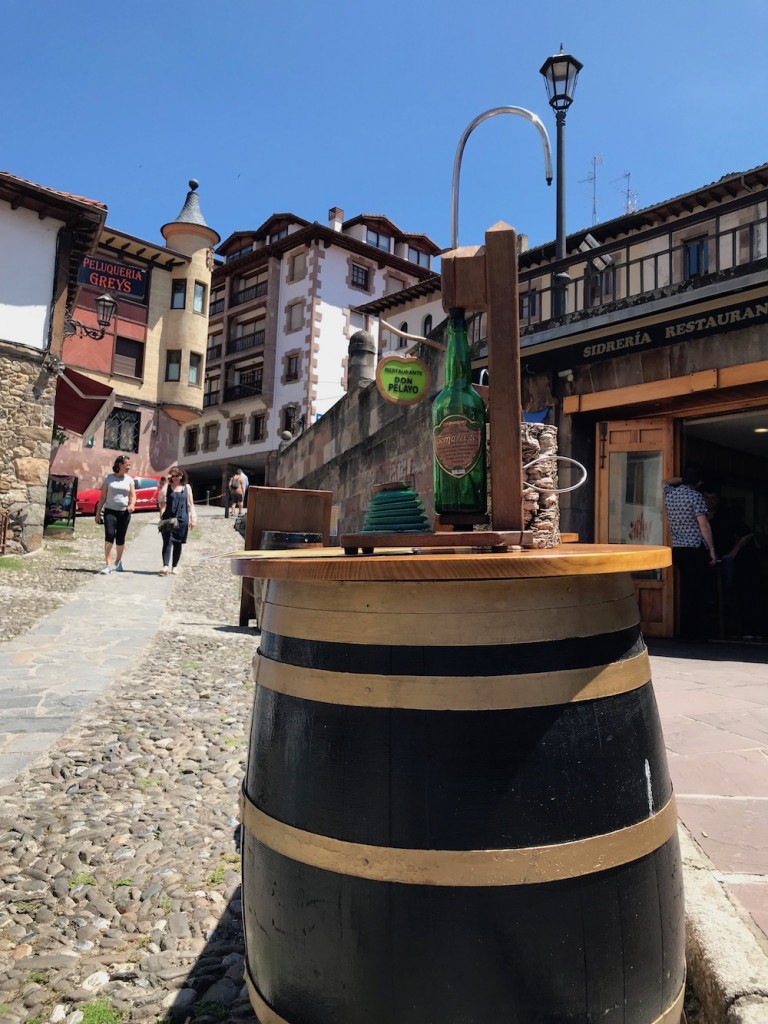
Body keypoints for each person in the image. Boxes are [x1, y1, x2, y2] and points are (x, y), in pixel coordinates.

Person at [662, 467, 718, 642]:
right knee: (696, 592)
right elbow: (704, 526)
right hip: (694, 548)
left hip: (678, 549)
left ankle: (686, 631)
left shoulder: (670, 494)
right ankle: (693, 633)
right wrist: (712, 550)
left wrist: (684, 479)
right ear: (699, 483)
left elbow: (665, 482)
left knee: (687, 590)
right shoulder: (696, 497)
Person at [95, 455, 136, 574]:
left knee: (120, 537)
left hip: (124, 512)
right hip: (110, 511)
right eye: (127, 464)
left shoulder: (129, 480)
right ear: (120, 465)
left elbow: (133, 495)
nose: (129, 467)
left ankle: (118, 561)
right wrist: (98, 513)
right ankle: (108, 564)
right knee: (109, 535)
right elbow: (102, 496)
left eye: (129, 465)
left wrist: (132, 504)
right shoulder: (108, 478)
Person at [158, 466, 197, 575]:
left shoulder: (187, 487)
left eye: (176, 475)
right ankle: (165, 566)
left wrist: (193, 518)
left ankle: (174, 566)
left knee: (178, 543)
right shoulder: (168, 487)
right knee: (167, 542)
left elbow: (191, 504)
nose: (174, 478)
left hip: (182, 518)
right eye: (172, 475)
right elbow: (160, 498)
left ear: (181, 476)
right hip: (168, 518)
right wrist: (166, 482)